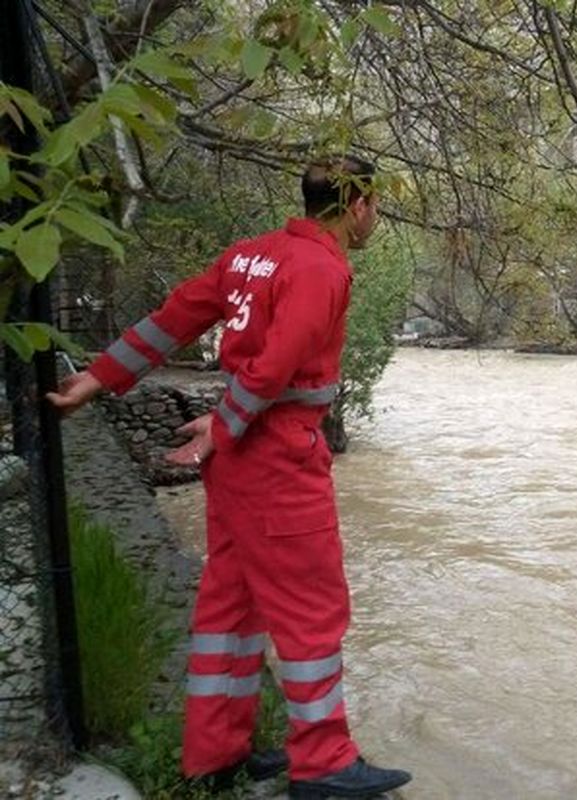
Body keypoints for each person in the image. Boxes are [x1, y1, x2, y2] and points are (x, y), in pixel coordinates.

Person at [47, 156, 413, 799]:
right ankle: (324, 762)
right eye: (374, 206)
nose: (374, 217)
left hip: (238, 464)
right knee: (311, 609)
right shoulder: (322, 267)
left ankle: (216, 752)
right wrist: (226, 421)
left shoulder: (250, 256)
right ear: (358, 204)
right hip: (277, 454)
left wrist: (99, 377)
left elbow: (175, 316)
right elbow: (278, 363)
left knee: (232, 603)